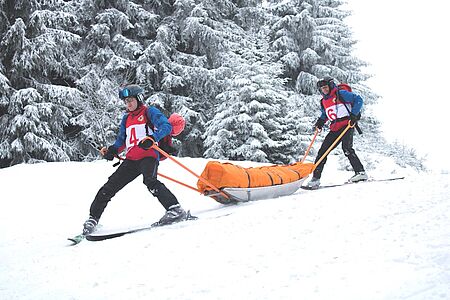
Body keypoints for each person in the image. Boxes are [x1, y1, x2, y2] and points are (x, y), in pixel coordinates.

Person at [82, 84, 187, 235]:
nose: (128, 104)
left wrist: (152, 137)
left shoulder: (149, 112)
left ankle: (175, 209)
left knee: (150, 181)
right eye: (126, 101)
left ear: (138, 98)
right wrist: (112, 151)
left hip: (148, 155)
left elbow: (166, 127)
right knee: (109, 187)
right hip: (131, 159)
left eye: (130, 100)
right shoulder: (126, 119)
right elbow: (121, 141)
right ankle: (93, 219)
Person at [304, 77, 368, 189]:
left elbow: (358, 100)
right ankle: (315, 179)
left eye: (326, 87)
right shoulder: (323, 101)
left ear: (331, 86)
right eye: (322, 88)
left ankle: (361, 173)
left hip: (347, 124)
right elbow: (325, 114)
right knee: (322, 152)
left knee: (347, 148)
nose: (324, 90)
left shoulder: (341, 94)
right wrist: (320, 122)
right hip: (334, 127)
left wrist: (354, 115)